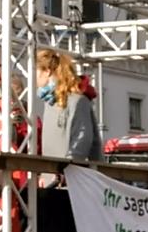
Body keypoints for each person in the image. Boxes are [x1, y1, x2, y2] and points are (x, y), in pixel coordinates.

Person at [36, 48, 103, 176]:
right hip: (52, 176)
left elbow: (82, 139)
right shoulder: (50, 103)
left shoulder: (77, 101)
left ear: (47, 72)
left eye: (36, 71)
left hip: (71, 179)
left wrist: (65, 170)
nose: (34, 78)